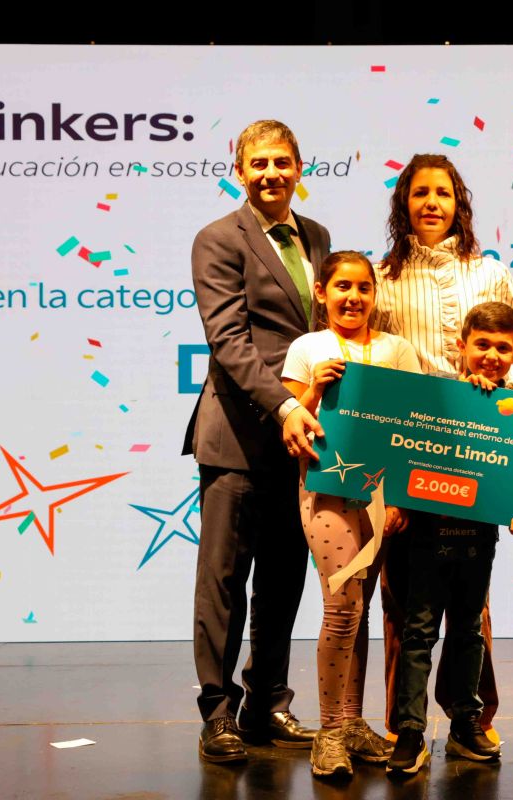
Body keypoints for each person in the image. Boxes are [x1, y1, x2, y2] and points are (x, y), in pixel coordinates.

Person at [374, 153, 513, 739]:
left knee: (472, 602)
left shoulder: (489, 274)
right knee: (405, 601)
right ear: (404, 203)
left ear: (458, 203)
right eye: (420, 193)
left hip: (476, 454)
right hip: (410, 453)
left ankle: (472, 717)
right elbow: (375, 362)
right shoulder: (384, 277)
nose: (432, 203)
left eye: (442, 193)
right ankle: (403, 725)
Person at [185, 119, 329, 764]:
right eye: (259, 163)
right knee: (223, 581)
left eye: (282, 162)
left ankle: (267, 702)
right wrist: (286, 404)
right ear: (240, 171)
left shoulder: (317, 237)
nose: (271, 173)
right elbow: (229, 342)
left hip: (301, 442)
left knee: (283, 580)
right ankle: (218, 713)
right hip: (239, 437)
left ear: (300, 168)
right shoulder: (218, 239)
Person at [281, 250, 420, 777]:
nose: (353, 297)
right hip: (326, 493)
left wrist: (401, 497)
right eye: (342, 286)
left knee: (359, 611)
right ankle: (330, 733)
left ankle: (352, 722)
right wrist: (315, 388)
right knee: (341, 609)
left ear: (375, 294)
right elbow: (290, 429)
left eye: (363, 287)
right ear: (322, 292)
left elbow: (413, 428)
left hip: (381, 499)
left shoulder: (397, 349)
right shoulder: (306, 348)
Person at [386, 302, 513, 776]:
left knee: (469, 632)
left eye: (503, 348)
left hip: (478, 540)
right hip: (426, 537)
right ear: (461, 345)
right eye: (482, 345)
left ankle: (465, 723)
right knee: (418, 633)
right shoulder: (439, 394)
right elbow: (405, 446)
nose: (491, 355)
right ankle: (410, 731)